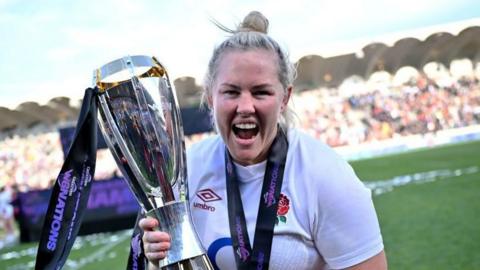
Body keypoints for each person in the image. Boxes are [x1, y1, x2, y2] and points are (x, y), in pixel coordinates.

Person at [139, 11, 387, 270]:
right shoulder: (187, 172)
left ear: (284, 98)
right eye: (231, 92)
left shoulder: (326, 175)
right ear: (211, 96)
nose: (245, 106)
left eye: (261, 92)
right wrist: (157, 259)